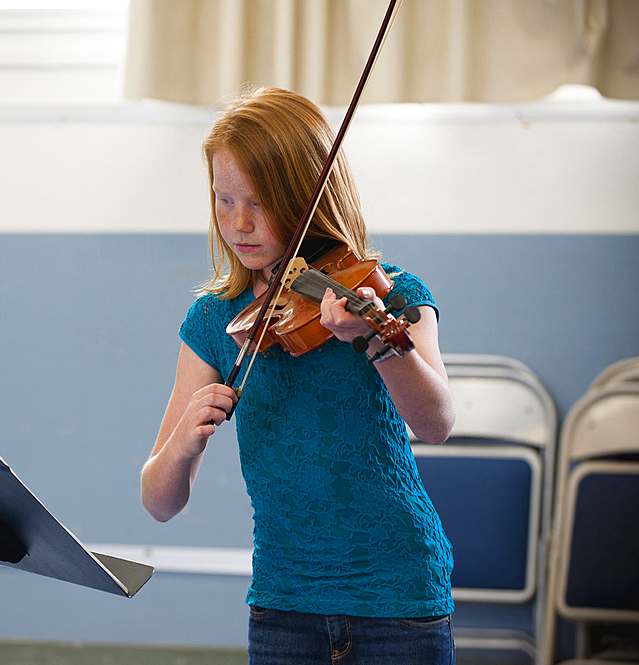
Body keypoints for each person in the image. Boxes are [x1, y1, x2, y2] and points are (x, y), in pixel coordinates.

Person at [140, 86, 457, 665]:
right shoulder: (217, 319)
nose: (239, 223)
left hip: (398, 592)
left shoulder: (387, 292)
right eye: (223, 200)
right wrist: (183, 442)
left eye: (259, 202)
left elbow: (436, 423)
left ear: (308, 193)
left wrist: (374, 340)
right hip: (284, 601)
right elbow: (159, 502)